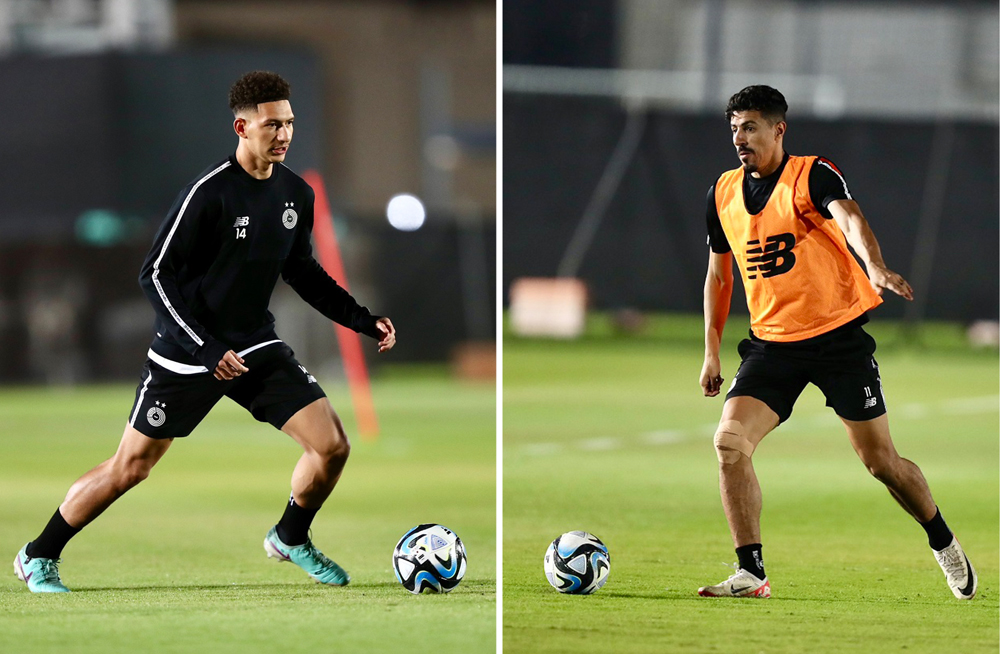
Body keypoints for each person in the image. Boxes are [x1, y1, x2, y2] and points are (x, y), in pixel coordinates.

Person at [14, 70, 395, 593]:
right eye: (270, 125)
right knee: (131, 467)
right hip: (188, 352)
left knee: (331, 446)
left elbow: (302, 272)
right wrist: (205, 346)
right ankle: (39, 554)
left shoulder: (295, 193)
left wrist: (361, 319)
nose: (283, 134)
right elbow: (154, 274)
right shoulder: (208, 193)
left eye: (289, 123)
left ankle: (291, 536)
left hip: (254, 345)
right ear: (241, 126)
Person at [696, 85, 976, 600]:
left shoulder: (811, 173)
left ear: (779, 129)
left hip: (837, 339)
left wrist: (874, 266)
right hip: (772, 345)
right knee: (729, 444)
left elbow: (848, 216)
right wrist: (712, 349)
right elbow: (719, 277)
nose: (740, 137)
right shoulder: (722, 193)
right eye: (735, 127)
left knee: (881, 462)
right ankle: (751, 572)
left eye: (751, 126)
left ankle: (943, 541)